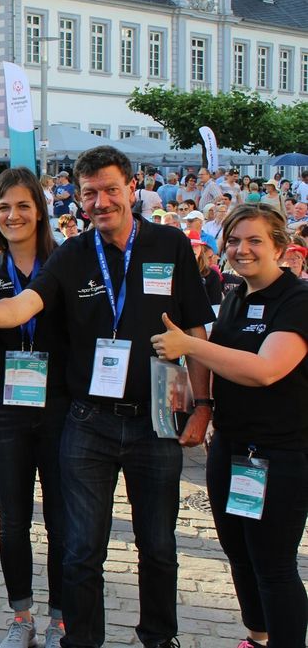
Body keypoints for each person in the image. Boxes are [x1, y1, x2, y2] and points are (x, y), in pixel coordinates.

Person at [0, 146, 215, 648]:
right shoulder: (72, 256)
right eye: (90, 192)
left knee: (158, 546)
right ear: (77, 196)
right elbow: (26, 303)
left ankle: (159, 637)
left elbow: (197, 329)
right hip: (88, 422)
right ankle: (81, 640)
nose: (101, 202)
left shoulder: (170, 244)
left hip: (155, 419)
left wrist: (203, 406)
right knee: (81, 550)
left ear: (132, 188)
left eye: (111, 190)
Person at [151, 203, 308, 648]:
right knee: (239, 553)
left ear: (280, 247)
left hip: (279, 454)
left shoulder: (297, 300)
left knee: (274, 563)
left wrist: (190, 346)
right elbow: (221, 363)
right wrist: (195, 398)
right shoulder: (237, 294)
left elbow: (266, 369)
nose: (242, 249)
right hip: (231, 446)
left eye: (255, 240)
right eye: (235, 240)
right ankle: (256, 637)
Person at [0, 169, 68, 648]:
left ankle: (60, 619)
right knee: (12, 518)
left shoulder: (65, 264)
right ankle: (22, 617)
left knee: (61, 518)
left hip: (59, 409)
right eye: (3, 207)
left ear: (40, 210)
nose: (13, 215)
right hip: (4, 409)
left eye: (22, 205)